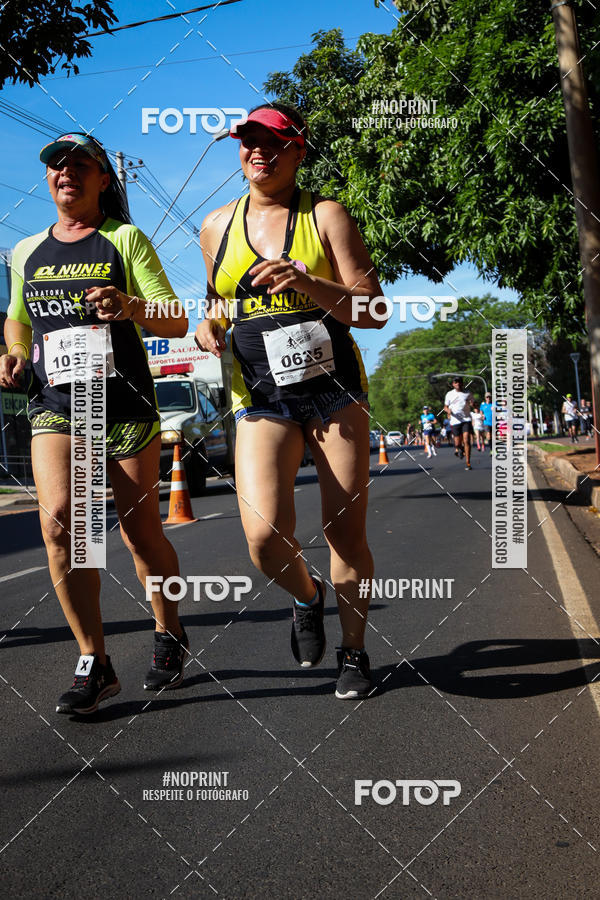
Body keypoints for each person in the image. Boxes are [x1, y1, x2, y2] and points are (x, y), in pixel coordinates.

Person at [195, 103, 385, 699]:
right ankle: (307, 595)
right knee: (261, 536)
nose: (258, 153)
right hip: (259, 395)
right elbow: (214, 303)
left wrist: (306, 282)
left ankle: (353, 652)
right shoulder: (214, 227)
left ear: (299, 150)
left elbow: (373, 310)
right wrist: (210, 324)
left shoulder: (325, 215)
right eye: (247, 143)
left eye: (272, 144)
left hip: (333, 394)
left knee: (343, 532)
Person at [0, 133, 189, 714]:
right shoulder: (26, 250)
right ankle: (95, 660)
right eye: (57, 165)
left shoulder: (123, 239)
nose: (66, 173)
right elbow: (18, 320)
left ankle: (169, 631)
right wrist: (10, 353)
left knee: (139, 535)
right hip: (58, 406)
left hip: (124, 406)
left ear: (104, 179)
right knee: (61, 526)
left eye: (80, 165)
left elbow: (175, 320)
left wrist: (131, 307)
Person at [444, 376, 474, 469]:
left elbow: (473, 402)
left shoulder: (467, 393)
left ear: (462, 383)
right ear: (453, 384)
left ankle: (468, 463)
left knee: (466, 440)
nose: (458, 383)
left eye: (459, 382)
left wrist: (473, 404)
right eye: (456, 382)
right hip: (455, 420)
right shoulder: (449, 394)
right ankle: (460, 449)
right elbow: (445, 407)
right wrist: (448, 411)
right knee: (457, 443)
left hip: (466, 419)